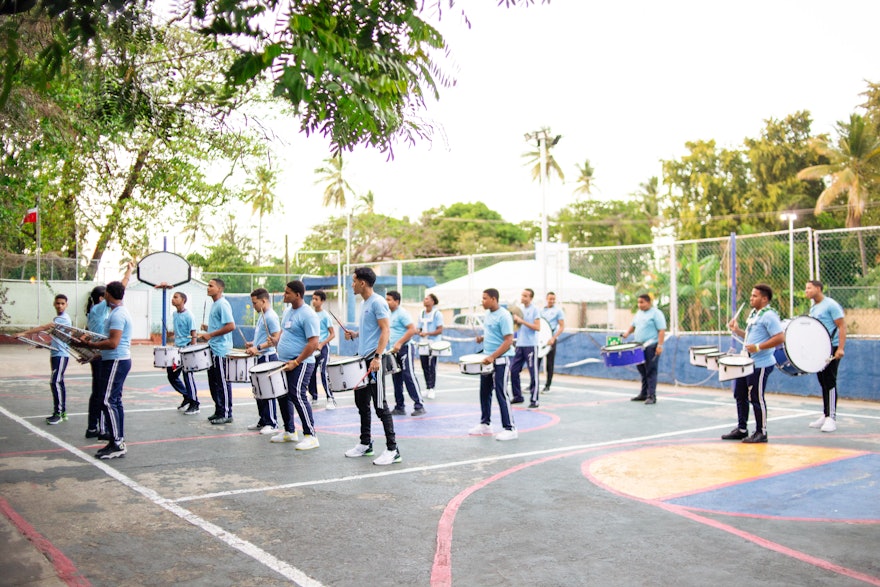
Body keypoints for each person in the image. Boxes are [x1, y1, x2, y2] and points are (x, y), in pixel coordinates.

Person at [343, 267, 401, 465]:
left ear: (362, 283)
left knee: (379, 405)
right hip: (362, 360)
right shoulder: (366, 303)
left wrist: (377, 357)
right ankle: (365, 443)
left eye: (353, 281)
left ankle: (393, 450)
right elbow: (371, 329)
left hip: (374, 361)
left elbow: (385, 331)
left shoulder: (378, 302)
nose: (351, 284)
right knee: (361, 403)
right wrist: (356, 334)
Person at [724, 284, 785, 444]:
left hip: (761, 364)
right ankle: (742, 429)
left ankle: (761, 431)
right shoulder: (755, 314)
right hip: (747, 361)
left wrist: (758, 347)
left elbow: (780, 337)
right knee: (740, 394)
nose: (751, 298)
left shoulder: (769, 315)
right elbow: (751, 338)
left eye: (755, 296)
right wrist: (737, 330)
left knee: (756, 397)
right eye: (751, 295)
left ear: (764, 299)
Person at [82, 281, 132, 459]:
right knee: (113, 400)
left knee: (108, 400)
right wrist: (92, 354)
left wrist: (90, 344)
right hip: (113, 359)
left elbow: (113, 343)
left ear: (109, 294)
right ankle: (115, 440)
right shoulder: (116, 312)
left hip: (117, 360)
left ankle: (117, 442)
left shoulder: (118, 315)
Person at [271, 280, 320, 450]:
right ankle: (290, 431)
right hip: (284, 361)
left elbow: (313, 343)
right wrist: (277, 341)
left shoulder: (308, 315)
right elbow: (286, 333)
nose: (284, 295)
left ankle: (311, 435)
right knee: (283, 395)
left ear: (297, 295)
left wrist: (297, 361)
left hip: (302, 362)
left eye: (287, 293)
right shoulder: (287, 312)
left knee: (297, 394)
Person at [469, 288, 517, 441]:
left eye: (485, 298)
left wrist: (493, 356)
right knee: (484, 391)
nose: (482, 301)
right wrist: (482, 338)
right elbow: (494, 333)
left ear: (494, 299)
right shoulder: (489, 314)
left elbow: (508, 341)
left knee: (501, 393)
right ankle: (485, 423)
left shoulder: (504, 316)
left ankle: (510, 428)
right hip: (487, 359)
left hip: (500, 360)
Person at [16, 294, 72, 425]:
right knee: (59, 382)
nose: (60, 306)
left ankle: (58, 414)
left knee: (55, 382)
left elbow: (44, 328)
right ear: (54, 304)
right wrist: (41, 345)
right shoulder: (59, 318)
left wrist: (23, 333)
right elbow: (56, 339)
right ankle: (62, 412)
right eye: (58, 303)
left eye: (62, 303)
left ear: (66, 305)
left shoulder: (62, 319)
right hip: (56, 354)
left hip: (61, 355)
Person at [805, 280, 846, 433]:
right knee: (822, 380)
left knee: (829, 381)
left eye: (809, 288)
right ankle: (825, 414)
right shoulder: (814, 307)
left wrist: (840, 348)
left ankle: (831, 418)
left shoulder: (831, 305)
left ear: (818, 288)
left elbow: (842, 325)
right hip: (819, 349)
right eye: (806, 288)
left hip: (832, 347)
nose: (806, 291)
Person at [245, 288, 281, 435]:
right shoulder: (262, 315)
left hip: (268, 356)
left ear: (263, 301)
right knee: (258, 391)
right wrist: (253, 344)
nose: (253, 306)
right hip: (260, 356)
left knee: (268, 391)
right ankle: (263, 419)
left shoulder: (271, 316)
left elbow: (275, 339)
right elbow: (263, 337)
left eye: (255, 303)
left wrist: (258, 347)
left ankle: (272, 422)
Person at [200, 278, 236, 425]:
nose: (208, 288)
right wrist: (208, 328)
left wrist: (210, 334)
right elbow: (219, 326)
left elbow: (231, 326)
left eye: (211, 286)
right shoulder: (215, 304)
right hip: (213, 349)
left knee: (222, 382)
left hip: (221, 350)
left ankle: (227, 413)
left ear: (219, 289)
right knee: (213, 383)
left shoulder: (222, 304)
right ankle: (219, 410)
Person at [621, 293, 667, 405]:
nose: (639, 305)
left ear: (649, 302)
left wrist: (660, 346)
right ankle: (644, 393)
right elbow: (633, 325)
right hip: (639, 346)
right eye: (638, 302)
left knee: (651, 370)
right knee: (642, 370)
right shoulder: (639, 314)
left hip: (651, 345)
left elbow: (661, 330)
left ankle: (652, 396)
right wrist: (627, 333)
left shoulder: (656, 313)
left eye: (642, 302)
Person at [386, 290, 425, 417]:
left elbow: (412, 330)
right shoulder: (388, 314)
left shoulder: (402, 313)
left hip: (405, 348)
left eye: (389, 300)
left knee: (408, 375)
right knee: (396, 378)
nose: (387, 302)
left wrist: (399, 343)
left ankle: (419, 405)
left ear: (396, 301)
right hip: (394, 350)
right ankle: (399, 406)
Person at [168, 291, 199, 415]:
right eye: (173, 297)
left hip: (186, 349)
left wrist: (192, 349)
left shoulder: (189, 315)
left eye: (176, 297)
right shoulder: (174, 314)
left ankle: (195, 403)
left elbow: (194, 334)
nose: (173, 299)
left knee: (188, 376)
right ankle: (187, 395)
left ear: (183, 300)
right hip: (176, 349)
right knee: (172, 375)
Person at [510, 288, 541, 408]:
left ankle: (534, 399)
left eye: (525, 296)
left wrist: (522, 321)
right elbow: (516, 326)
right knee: (513, 371)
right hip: (519, 345)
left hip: (530, 345)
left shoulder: (535, 310)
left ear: (531, 298)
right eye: (522, 295)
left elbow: (537, 327)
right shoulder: (519, 310)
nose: (523, 298)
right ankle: (518, 396)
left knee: (533, 373)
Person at [308, 289, 337, 409]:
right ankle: (314, 397)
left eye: (316, 299)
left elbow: (332, 334)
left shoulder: (325, 316)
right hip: (313, 348)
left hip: (323, 348)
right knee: (310, 373)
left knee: (324, 372)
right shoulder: (311, 314)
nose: (314, 301)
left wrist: (322, 344)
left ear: (322, 301)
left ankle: (330, 398)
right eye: (313, 298)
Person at [418, 293, 444, 399]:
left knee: (432, 365)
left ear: (432, 302)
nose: (425, 300)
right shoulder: (421, 313)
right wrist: (418, 332)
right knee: (424, 366)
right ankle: (428, 387)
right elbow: (419, 328)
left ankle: (432, 388)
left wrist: (427, 334)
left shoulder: (437, 314)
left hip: (434, 343)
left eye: (427, 299)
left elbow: (440, 330)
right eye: (424, 299)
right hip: (423, 343)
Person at [539, 291, 565, 393]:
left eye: (553, 299)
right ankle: (533, 384)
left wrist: (553, 338)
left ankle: (547, 385)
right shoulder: (541, 311)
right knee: (536, 362)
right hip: (541, 340)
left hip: (551, 339)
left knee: (550, 363)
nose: (552, 301)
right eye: (550, 299)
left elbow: (562, 326)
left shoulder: (558, 311)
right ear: (546, 299)